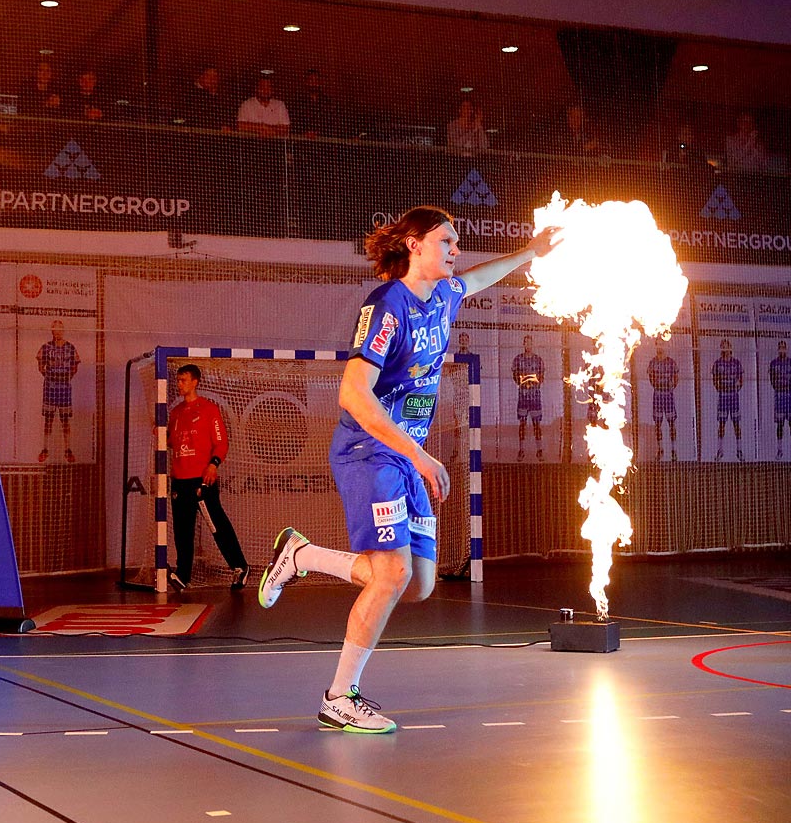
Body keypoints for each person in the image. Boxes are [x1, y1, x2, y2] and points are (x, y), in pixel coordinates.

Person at [259, 206, 560, 733]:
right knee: (392, 574)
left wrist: (532, 252)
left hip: (407, 454)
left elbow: (479, 278)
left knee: (416, 583)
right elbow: (353, 393)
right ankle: (339, 695)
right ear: (416, 244)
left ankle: (301, 554)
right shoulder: (387, 306)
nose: (456, 251)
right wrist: (420, 456)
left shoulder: (443, 296)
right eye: (447, 241)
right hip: (369, 451)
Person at [167, 364, 249, 590]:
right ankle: (183, 575)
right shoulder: (175, 413)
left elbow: (221, 442)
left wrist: (213, 465)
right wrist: (161, 433)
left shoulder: (208, 409)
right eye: (178, 380)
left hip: (202, 479)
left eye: (184, 380)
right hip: (179, 480)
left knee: (217, 526)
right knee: (183, 531)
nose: (180, 384)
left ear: (195, 382)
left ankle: (240, 566)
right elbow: (173, 442)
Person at [36, 320, 80, 463]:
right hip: (50, 388)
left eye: (60, 329)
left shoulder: (70, 348)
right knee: (48, 420)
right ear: (52, 331)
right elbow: (40, 364)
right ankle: (45, 449)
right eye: (55, 329)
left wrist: (66, 377)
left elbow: (75, 366)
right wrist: (49, 376)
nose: (57, 332)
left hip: (65, 389)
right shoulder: (46, 347)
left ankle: (68, 450)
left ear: (63, 330)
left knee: (65, 420)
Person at [511, 334, 547, 460]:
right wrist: (523, 383)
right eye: (525, 342)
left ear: (532, 344)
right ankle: (521, 450)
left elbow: (542, 377)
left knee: (537, 424)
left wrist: (533, 383)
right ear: (523, 344)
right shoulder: (518, 359)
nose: (528, 345)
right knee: (522, 424)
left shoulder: (538, 360)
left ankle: (540, 450)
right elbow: (515, 376)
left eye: (530, 342)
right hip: (523, 397)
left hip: (535, 397)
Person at [646, 340, 680, 461]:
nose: (659, 347)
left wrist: (672, 385)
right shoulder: (653, 362)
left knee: (671, 423)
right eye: (657, 345)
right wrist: (655, 384)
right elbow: (650, 376)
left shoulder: (671, 362)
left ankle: (674, 450)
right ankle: (660, 450)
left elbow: (676, 377)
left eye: (661, 345)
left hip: (668, 396)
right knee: (658, 424)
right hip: (658, 396)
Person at [711, 338, 744, 461]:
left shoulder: (736, 363)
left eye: (726, 346)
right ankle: (720, 450)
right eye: (723, 346)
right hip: (723, 397)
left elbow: (741, 379)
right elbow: (715, 380)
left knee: (736, 424)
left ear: (730, 348)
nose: (725, 348)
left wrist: (737, 387)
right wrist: (720, 388)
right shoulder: (718, 363)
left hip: (734, 397)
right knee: (722, 424)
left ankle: (739, 450)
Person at [768, 339, 791, 460]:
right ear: (778, 349)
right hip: (779, 398)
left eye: (784, 347)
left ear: (786, 349)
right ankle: (780, 450)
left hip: (790, 398)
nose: (782, 349)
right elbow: (772, 379)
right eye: (780, 347)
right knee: (780, 424)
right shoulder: (774, 364)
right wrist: (778, 388)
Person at [290, 68, 334, 139]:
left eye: (316, 80)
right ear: (306, 82)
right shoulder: (299, 101)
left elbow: (330, 122)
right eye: (311, 80)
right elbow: (295, 121)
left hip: (322, 141)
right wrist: (305, 132)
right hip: (302, 140)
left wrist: (318, 132)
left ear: (320, 82)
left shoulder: (326, 101)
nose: (314, 83)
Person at [187, 65, 234, 132]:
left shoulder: (221, 95)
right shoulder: (190, 93)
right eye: (209, 76)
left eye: (215, 77)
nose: (212, 80)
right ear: (201, 76)